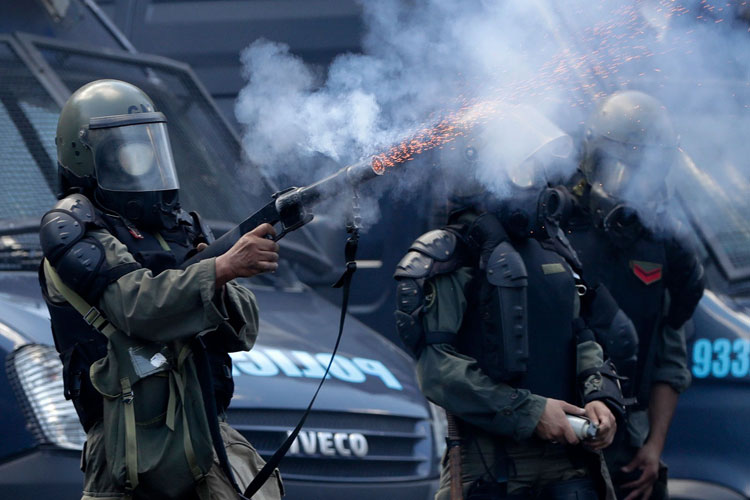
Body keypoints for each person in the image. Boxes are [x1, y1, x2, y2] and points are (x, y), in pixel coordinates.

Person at [38, 79, 283, 500]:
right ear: (87, 156)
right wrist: (221, 267)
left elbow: (241, 331)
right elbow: (137, 306)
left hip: (202, 435)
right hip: (126, 448)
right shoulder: (75, 231)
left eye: (150, 144)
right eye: (128, 147)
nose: (145, 158)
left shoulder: (178, 228)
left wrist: (219, 275)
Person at [394, 121, 631, 500]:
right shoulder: (450, 256)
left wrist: (600, 398)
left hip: (572, 458)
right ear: (481, 172)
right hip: (490, 465)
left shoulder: (554, 252)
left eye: (537, 169)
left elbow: (583, 337)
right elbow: (437, 369)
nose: (536, 182)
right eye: (522, 168)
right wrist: (530, 411)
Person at [556, 90, 705, 500]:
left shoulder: (661, 242)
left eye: (650, 169)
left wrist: (653, 446)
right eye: (623, 167)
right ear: (592, 159)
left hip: (629, 438)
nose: (635, 183)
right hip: (557, 430)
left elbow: (669, 355)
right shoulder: (553, 228)